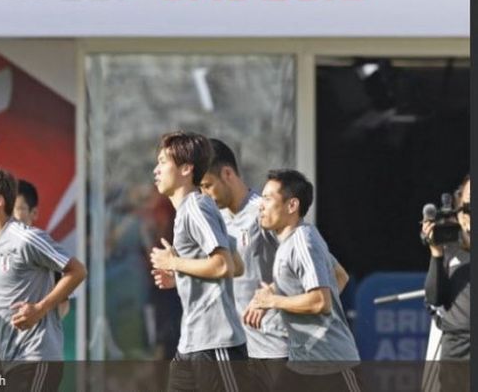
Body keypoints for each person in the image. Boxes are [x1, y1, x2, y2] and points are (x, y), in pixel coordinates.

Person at [196, 139, 351, 390]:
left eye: (208, 186)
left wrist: (279, 303)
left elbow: (337, 276)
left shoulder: (267, 214)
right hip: (245, 353)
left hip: (282, 352)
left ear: (227, 174)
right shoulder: (218, 221)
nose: (204, 195)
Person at [0, 168, 86, 392]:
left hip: (38, 357)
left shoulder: (27, 239)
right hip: (9, 362)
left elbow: (78, 271)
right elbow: (0, 297)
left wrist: (40, 309)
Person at [146, 131, 248, 392]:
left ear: (186, 168)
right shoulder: (189, 211)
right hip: (191, 343)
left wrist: (174, 263)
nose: (156, 170)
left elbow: (225, 265)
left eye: (162, 162)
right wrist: (180, 275)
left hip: (216, 345)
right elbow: (237, 264)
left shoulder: (196, 207)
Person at [248, 169, 360, 391]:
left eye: (268, 199)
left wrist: (273, 301)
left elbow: (320, 301)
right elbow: (339, 275)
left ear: (292, 206)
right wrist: (272, 296)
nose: (261, 205)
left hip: (333, 365)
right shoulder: (292, 240)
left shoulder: (303, 242)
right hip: (302, 364)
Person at [422, 174, 470, 392]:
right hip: (457, 350)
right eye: (468, 208)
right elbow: (434, 299)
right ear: (458, 213)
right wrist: (436, 253)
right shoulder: (449, 248)